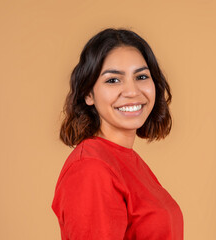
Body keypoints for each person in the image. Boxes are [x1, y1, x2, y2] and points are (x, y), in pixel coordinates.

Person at [51, 28, 184, 239]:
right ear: (88, 94)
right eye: (113, 80)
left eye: (141, 76)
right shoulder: (91, 168)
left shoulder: (126, 160)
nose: (132, 91)